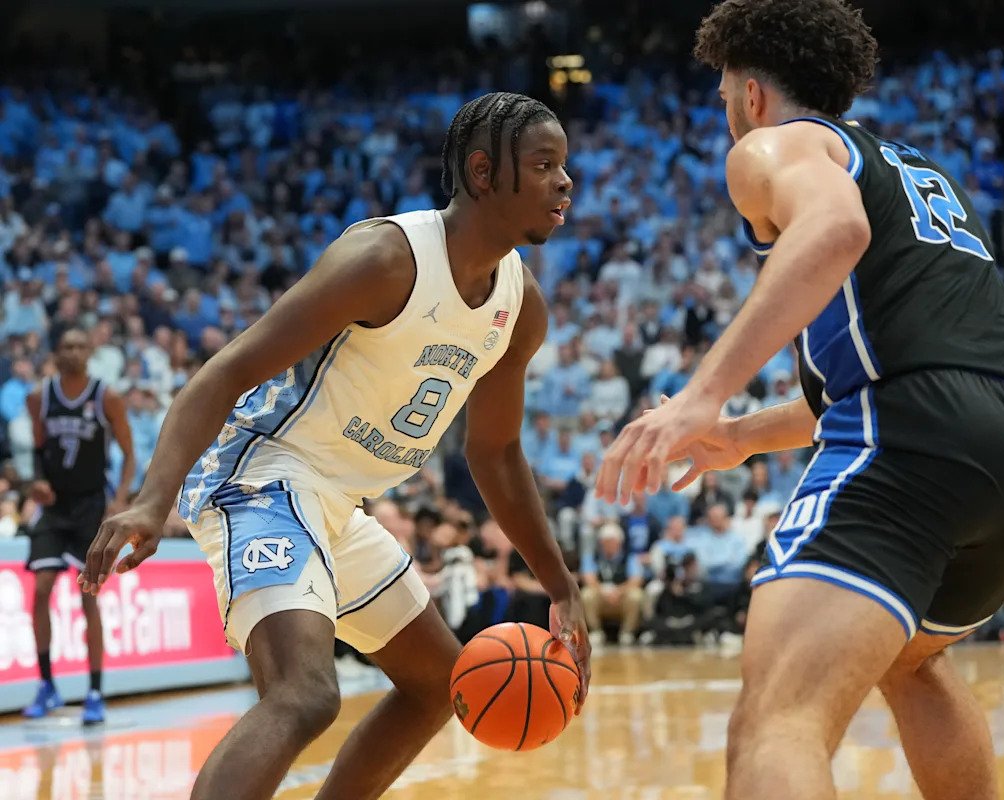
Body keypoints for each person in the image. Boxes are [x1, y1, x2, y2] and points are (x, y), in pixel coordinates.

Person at [595, 3, 1004, 799]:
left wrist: (699, 396)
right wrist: (743, 434)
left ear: (752, 94)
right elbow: (917, 368)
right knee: (910, 660)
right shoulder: (915, 169)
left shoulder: (772, 145)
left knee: (777, 721)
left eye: (724, 96)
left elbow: (834, 233)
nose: (726, 115)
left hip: (925, 440)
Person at [77, 92, 590, 800]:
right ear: (482, 172)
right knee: (305, 692)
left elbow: (496, 452)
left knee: (437, 684)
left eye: (563, 165)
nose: (565, 181)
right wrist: (149, 501)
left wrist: (561, 586)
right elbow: (225, 371)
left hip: (336, 502)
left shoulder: (520, 306)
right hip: (261, 473)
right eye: (543, 165)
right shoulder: (384, 259)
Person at [23, 327, 135, 723]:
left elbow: (129, 454)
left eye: (79, 346)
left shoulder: (107, 396)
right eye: (66, 346)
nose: (72, 351)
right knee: (41, 589)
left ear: (89, 352)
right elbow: (38, 449)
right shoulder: (40, 397)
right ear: (56, 353)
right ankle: (47, 685)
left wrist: (119, 501)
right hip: (55, 508)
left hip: (91, 507)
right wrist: (37, 481)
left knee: (89, 596)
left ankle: (94, 691)